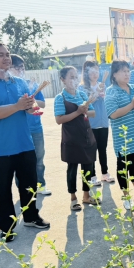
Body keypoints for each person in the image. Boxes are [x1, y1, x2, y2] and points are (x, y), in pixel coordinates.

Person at [0, 42, 50, 242]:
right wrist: (17, 106)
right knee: (3, 189)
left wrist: (30, 107)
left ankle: (31, 217)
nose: (7, 58)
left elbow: (30, 108)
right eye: (1, 55)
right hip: (2, 148)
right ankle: (6, 227)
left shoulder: (18, 82)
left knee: (29, 185)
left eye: (8, 54)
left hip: (25, 143)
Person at [105, 60, 134, 209]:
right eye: (123, 71)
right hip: (123, 137)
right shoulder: (111, 91)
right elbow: (113, 114)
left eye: (127, 70)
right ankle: (126, 197)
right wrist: (133, 104)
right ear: (114, 74)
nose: (127, 74)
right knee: (123, 165)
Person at [54, 66, 100, 211]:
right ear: (63, 80)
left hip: (86, 136)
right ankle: (73, 198)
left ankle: (86, 196)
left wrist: (86, 110)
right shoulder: (60, 98)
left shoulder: (82, 95)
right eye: (71, 77)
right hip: (71, 139)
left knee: (88, 167)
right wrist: (78, 111)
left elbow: (93, 113)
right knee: (72, 169)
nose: (74, 80)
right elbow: (59, 119)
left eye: (76, 77)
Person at [9, 54, 52, 195]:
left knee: (39, 158)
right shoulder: (11, 86)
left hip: (36, 128)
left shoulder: (30, 85)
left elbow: (43, 104)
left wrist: (31, 100)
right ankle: (23, 188)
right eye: (17, 67)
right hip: (20, 130)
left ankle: (40, 184)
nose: (21, 70)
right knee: (21, 160)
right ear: (9, 68)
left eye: (22, 67)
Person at [79, 61, 115, 186]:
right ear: (86, 72)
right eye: (92, 71)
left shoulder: (103, 85)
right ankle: (92, 175)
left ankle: (105, 173)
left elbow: (108, 100)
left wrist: (103, 94)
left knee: (102, 149)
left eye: (96, 70)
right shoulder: (82, 88)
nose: (95, 74)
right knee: (91, 150)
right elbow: (85, 104)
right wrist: (95, 94)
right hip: (90, 124)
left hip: (103, 122)